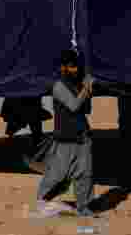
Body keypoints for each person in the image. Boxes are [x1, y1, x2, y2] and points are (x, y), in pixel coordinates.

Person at [36, 49, 98, 217]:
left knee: (85, 173)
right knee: (58, 173)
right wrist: (86, 89)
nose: (74, 70)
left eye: (75, 66)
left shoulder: (77, 84)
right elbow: (74, 105)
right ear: (63, 68)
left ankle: (83, 206)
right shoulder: (58, 86)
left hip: (82, 135)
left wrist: (87, 90)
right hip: (65, 137)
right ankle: (43, 200)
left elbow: (86, 109)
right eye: (71, 67)